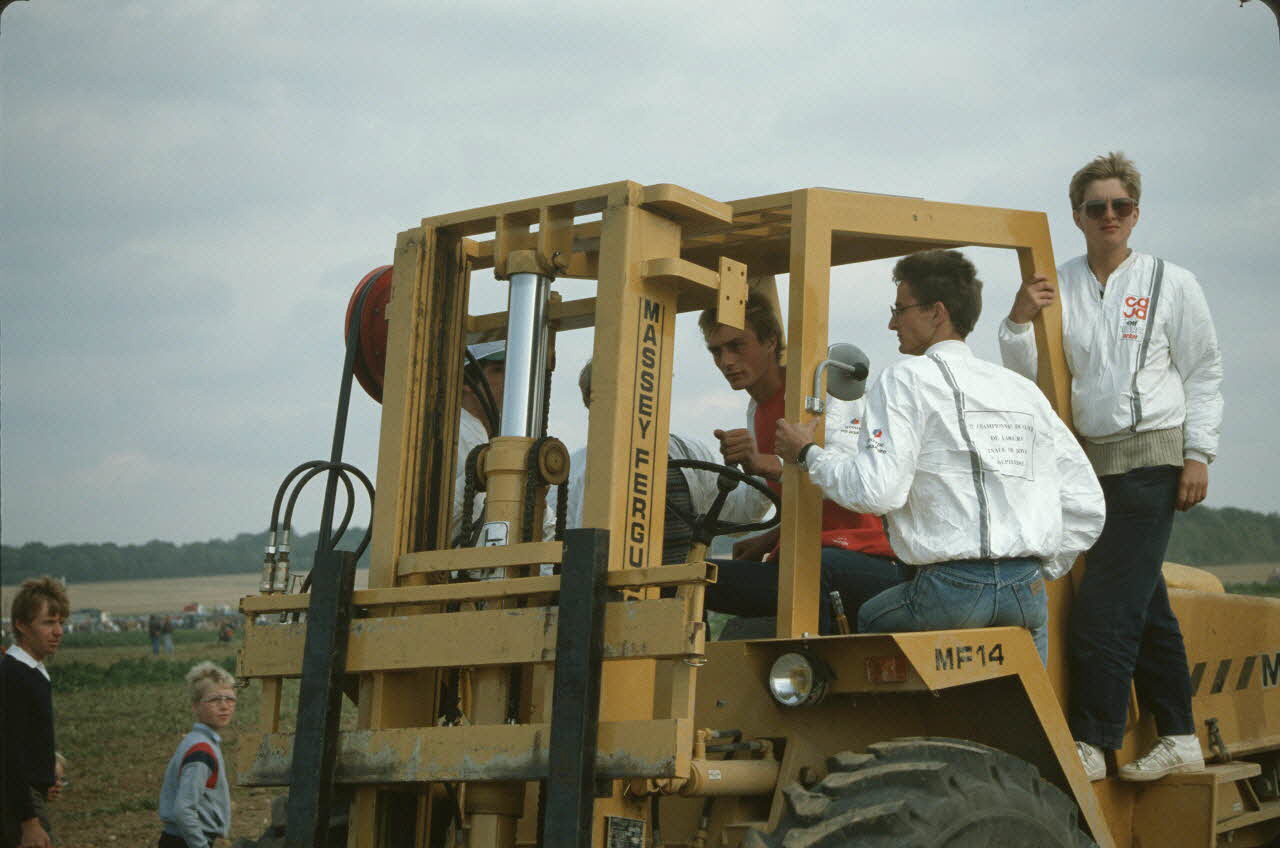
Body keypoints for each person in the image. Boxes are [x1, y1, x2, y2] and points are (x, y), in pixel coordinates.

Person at [999, 152, 1222, 781]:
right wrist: (1019, 319)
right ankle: (1179, 735)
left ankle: (1092, 743)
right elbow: (1026, 374)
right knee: (1143, 605)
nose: (1109, 216)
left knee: (1100, 604)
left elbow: (1204, 371)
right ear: (1078, 215)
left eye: (1120, 206)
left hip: (1155, 456)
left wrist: (1198, 453)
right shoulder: (1058, 283)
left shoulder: (1172, 282)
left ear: (1136, 212)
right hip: (1090, 468)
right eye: (1096, 207)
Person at [775, 250, 1106, 664]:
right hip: (1026, 591)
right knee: (1027, 720)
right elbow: (1086, 504)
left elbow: (876, 492)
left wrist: (807, 454)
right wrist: (1038, 569)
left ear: (937, 312)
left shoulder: (905, 377)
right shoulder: (1020, 390)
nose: (892, 322)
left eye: (899, 310)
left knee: (870, 622)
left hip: (951, 589)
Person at [699, 292, 909, 634]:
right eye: (716, 351)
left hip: (867, 557)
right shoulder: (757, 411)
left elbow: (855, 483)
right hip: (809, 557)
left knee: (803, 574)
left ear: (770, 342)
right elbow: (789, 503)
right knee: (695, 579)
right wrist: (769, 538)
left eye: (737, 346)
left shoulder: (822, 395)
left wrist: (771, 465)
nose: (726, 361)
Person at [564, 360, 774, 562]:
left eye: (647, 388)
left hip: (686, 591)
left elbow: (736, 515)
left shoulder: (689, 453)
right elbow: (555, 551)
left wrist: (755, 465)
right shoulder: (572, 473)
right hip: (607, 595)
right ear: (593, 401)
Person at [1, 576, 69, 848]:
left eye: (61, 622)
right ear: (21, 625)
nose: (58, 631)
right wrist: (28, 821)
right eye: (48, 622)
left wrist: (45, 772)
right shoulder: (14, 675)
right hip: (17, 806)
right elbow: (7, 752)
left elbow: (29, 739)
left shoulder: (33, 671)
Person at [157, 662, 237, 848]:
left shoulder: (200, 742)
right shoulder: (201, 750)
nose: (224, 706)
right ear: (195, 706)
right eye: (214, 700)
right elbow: (184, 810)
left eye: (230, 699)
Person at [452, 341, 506, 547]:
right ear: (468, 381)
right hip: (456, 568)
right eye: (498, 370)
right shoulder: (456, 434)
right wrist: (477, 472)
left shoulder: (495, 437)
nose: (508, 377)